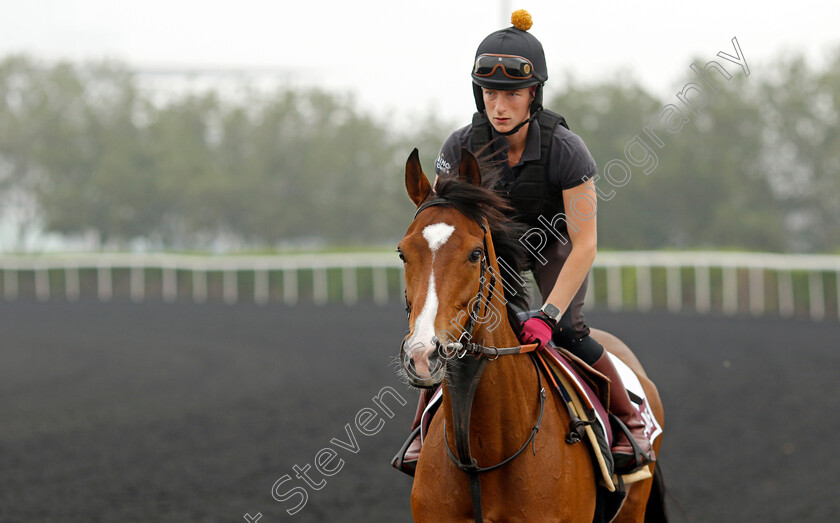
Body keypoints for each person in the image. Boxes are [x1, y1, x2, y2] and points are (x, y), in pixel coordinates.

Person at [395, 10, 653, 475]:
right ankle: (421, 427)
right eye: (491, 93)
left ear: (533, 94)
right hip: (493, 255)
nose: (499, 106)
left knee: (571, 333)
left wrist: (549, 315)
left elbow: (586, 243)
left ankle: (630, 419)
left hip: (556, 248)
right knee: (459, 335)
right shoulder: (458, 147)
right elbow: (441, 222)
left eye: (512, 93)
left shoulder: (566, 149)